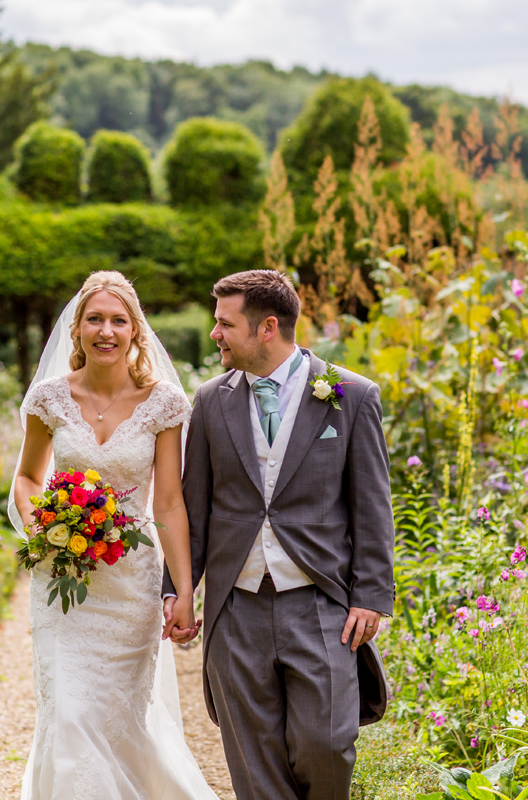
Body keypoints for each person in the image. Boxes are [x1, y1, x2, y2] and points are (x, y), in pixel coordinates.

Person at [165, 269, 395, 800]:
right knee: (253, 757)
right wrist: (177, 590)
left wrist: (370, 597)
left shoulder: (351, 395)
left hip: (320, 605)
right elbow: (193, 508)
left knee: (327, 744)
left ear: (268, 327)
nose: (214, 334)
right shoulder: (211, 400)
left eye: (225, 323)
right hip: (236, 606)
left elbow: (372, 505)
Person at [9, 271, 218, 800]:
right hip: (64, 583)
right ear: (76, 330)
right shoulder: (49, 399)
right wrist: (45, 524)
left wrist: (185, 592)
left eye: (118, 320)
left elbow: (169, 502)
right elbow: (29, 477)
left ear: (135, 331)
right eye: (95, 319)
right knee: (72, 714)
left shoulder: (163, 403)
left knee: (120, 721)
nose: (106, 330)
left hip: (131, 586)